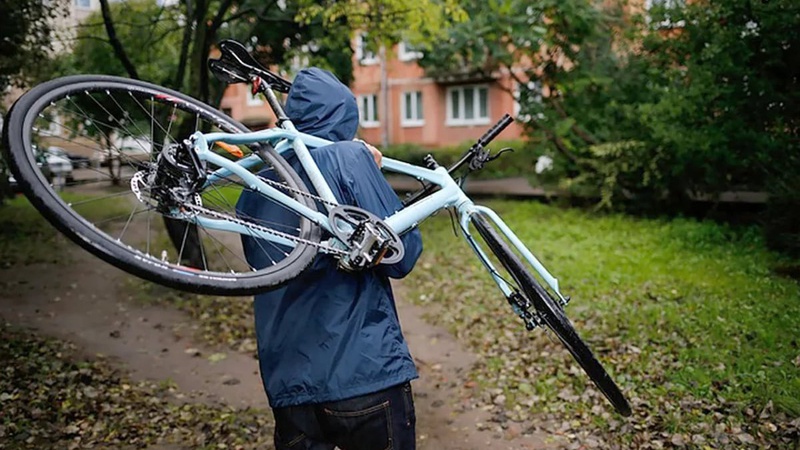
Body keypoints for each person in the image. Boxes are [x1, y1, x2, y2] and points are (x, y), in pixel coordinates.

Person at [235, 67, 424, 450]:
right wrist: (370, 172)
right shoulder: (348, 157)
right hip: (364, 373)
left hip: (289, 389)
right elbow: (403, 254)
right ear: (344, 114)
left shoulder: (256, 188)